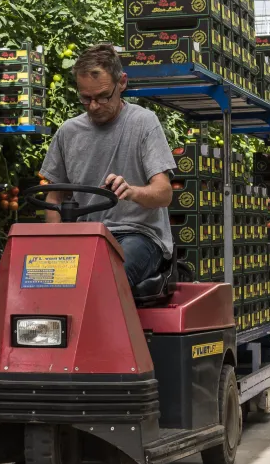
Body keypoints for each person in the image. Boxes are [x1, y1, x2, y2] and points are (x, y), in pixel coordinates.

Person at [39, 44, 175, 287]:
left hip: (137, 235)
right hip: (84, 236)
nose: (93, 106)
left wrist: (132, 192)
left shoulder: (144, 123)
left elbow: (164, 193)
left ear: (121, 82)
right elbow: (54, 197)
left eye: (103, 96)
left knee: (107, 276)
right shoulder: (68, 132)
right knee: (38, 278)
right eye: (85, 98)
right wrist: (54, 246)